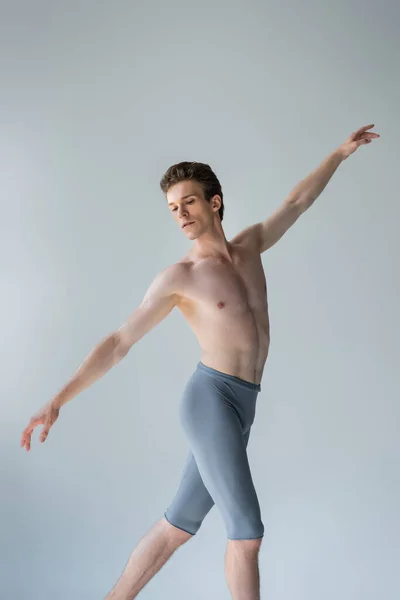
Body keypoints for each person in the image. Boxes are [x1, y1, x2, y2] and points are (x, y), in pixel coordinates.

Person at [20, 124, 379, 600]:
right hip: (210, 399)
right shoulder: (181, 277)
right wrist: (57, 400)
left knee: (179, 525)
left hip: (243, 404)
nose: (180, 214)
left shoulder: (250, 247)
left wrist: (339, 153)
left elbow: (296, 203)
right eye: (172, 208)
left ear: (214, 202)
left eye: (188, 201)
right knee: (247, 532)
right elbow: (118, 341)